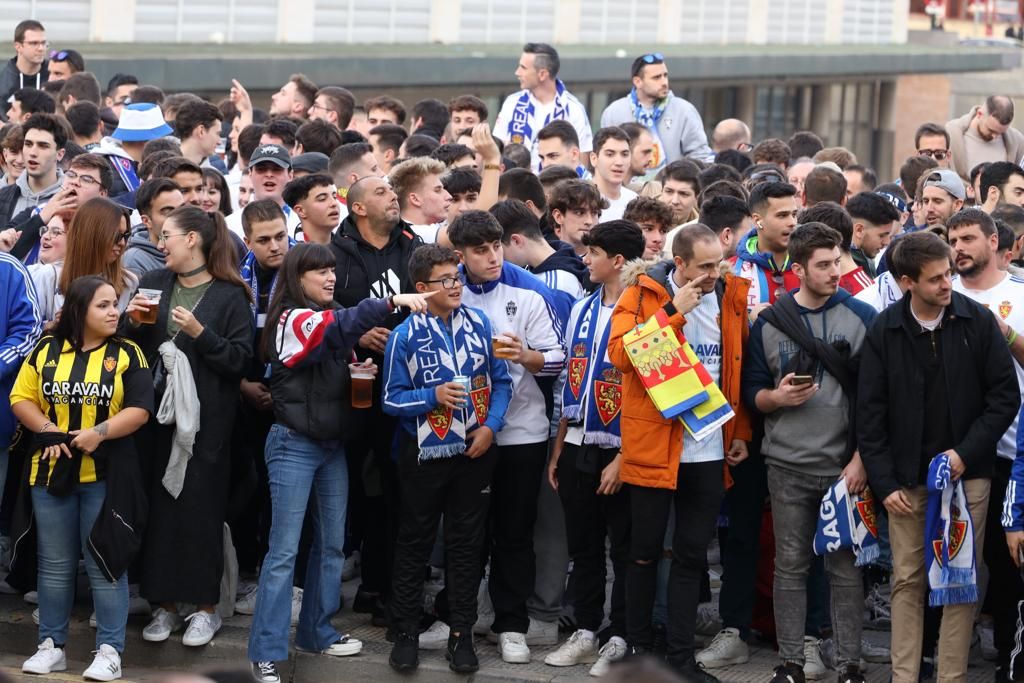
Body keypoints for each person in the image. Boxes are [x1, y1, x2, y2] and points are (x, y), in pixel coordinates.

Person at [247, 244, 430, 683]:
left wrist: (357, 370)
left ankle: (316, 632)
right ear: (297, 278)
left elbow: (336, 340)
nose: (329, 278)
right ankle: (265, 651)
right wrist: (390, 301)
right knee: (284, 552)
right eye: (318, 272)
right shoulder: (292, 317)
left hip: (330, 445)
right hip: (293, 444)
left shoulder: (327, 316)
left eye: (331, 270)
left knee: (331, 546)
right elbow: (335, 327)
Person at [858, 230, 1019, 683]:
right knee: (907, 580)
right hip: (906, 482)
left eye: (949, 273)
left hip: (969, 479)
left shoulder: (977, 321)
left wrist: (966, 455)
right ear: (908, 282)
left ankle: (951, 677)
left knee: (961, 581)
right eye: (935, 279)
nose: (948, 284)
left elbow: (1004, 398)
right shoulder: (884, 329)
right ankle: (903, 675)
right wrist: (885, 484)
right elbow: (869, 415)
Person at [607, 222, 750, 681]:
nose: (714, 273)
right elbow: (620, 356)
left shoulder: (731, 294)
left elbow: (738, 366)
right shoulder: (643, 294)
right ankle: (636, 652)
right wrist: (673, 310)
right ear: (681, 263)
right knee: (644, 553)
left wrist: (740, 431)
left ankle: (681, 659)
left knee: (692, 556)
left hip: (708, 446)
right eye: (705, 266)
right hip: (655, 446)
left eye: (719, 263)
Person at [742, 222, 876, 683]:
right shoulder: (769, 321)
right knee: (791, 565)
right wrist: (774, 400)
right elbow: (752, 393)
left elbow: (877, 399)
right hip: (786, 465)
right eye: (822, 265)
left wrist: (861, 461)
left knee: (845, 569)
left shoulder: (862, 316)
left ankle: (850, 665)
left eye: (837, 261)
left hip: (845, 469)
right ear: (797, 269)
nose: (834, 271)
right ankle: (791, 662)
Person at [124, 206, 253, 648]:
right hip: (154, 418)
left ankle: (204, 608)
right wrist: (131, 322)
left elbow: (241, 361)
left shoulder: (231, 294)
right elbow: (132, 349)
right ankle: (163, 606)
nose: (161, 245)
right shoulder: (155, 283)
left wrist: (202, 333)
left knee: (200, 512)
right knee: (158, 512)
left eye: (167, 236)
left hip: (207, 423)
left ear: (193, 239)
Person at [12, 274, 151, 681]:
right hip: (50, 472)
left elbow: (141, 408)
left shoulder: (128, 353)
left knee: (105, 562)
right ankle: (50, 645)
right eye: (103, 305)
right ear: (79, 310)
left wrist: (99, 433)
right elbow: (21, 397)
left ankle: (110, 650)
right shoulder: (46, 350)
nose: (114, 312)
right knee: (54, 565)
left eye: (115, 304)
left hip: (106, 474)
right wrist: (49, 431)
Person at [383, 243, 513, 673]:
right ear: (422, 288)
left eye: (457, 277)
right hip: (422, 453)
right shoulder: (403, 334)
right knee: (414, 542)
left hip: (475, 452)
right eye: (445, 280)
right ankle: (405, 631)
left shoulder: (479, 322)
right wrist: (432, 396)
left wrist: (491, 427)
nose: (456, 285)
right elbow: (390, 400)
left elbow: (502, 382)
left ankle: (461, 633)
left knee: (466, 546)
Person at [449, 210, 568, 664]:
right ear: (460, 255)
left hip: (522, 430)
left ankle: (512, 623)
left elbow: (558, 359)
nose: (493, 256)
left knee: (515, 531)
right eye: (481, 250)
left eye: (497, 246)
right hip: (463, 431)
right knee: (465, 531)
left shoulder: (527, 291)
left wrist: (527, 355)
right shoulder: (449, 291)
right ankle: (460, 615)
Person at [541, 221, 644, 676]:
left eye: (593, 252)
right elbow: (570, 381)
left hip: (625, 448)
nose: (584, 260)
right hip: (579, 441)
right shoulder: (582, 307)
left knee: (622, 547)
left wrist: (624, 457)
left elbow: (653, 391)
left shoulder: (644, 311)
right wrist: (559, 446)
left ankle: (619, 635)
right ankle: (585, 628)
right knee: (583, 546)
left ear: (617, 260)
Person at [328, 175, 422, 626]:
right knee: (349, 487)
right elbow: (318, 309)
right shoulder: (335, 251)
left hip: (403, 385)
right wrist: (357, 330)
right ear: (359, 208)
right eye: (382, 192)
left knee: (395, 487)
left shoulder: (412, 244)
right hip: (349, 385)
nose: (394, 198)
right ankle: (351, 584)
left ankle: (386, 590)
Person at [944, 208, 1024, 678]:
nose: (960, 247)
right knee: (951, 553)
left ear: (994, 242)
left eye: (969, 238)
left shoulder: (1017, 293)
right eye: (954, 239)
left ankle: (1007, 656)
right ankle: (948, 648)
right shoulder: (942, 290)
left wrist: (1004, 333)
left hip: (1012, 448)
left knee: (1005, 557)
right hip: (956, 449)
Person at [600, 53, 712, 168]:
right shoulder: (614, 112)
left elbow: (700, 155)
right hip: (626, 184)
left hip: (670, 184)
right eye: (656, 77)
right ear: (638, 82)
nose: (664, 82)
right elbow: (605, 155)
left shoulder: (684, 110)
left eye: (665, 75)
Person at [493, 43, 592, 171]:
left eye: (523, 68)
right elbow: (496, 150)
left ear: (542, 74)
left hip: (557, 187)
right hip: (514, 186)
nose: (517, 72)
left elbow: (581, 161)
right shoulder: (512, 103)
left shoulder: (573, 109)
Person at [490, 197, 588, 300]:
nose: (497, 256)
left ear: (516, 241)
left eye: (498, 247)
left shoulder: (557, 287)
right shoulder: (535, 268)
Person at [729, 181, 802, 308]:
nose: (792, 222)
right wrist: (749, 322)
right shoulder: (732, 271)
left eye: (794, 214)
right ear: (757, 220)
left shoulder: (811, 264)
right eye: (782, 215)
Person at [0, 113, 64, 226]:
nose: (33, 153)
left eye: (43, 146)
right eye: (28, 144)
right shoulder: (3, 196)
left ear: (59, 154)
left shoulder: (71, 199)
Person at [946, 96, 1024, 181]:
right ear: (979, 114)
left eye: (1000, 133)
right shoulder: (951, 133)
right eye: (991, 130)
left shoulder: (1017, 141)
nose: (995, 137)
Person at [124, 178, 184, 277]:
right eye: (168, 212)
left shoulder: (197, 248)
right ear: (146, 221)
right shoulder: (134, 261)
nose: (180, 217)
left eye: (182, 209)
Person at [389, 157, 451, 243]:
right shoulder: (408, 234)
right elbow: (465, 234)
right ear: (415, 199)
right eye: (437, 190)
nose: (449, 196)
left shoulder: (437, 226)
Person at [547, 178, 607, 258]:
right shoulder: (542, 261)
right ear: (558, 216)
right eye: (580, 213)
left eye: (594, 213)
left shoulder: (609, 262)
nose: (589, 221)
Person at [846, 191, 900, 279]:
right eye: (881, 235)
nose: (887, 242)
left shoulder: (866, 259)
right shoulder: (842, 269)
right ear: (859, 230)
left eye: (888, 235)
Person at [591, 127, 637, 222]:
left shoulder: (634, 201)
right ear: (594, 158)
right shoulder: (580, 201)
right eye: (610, 154)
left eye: (624, 154)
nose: (619, 162)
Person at [0, 20, 49, 106]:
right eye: (34, 43)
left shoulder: (54, 73)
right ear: (18, 47)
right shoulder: (3, 76)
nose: (41, 48)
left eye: (43, 43)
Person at [282, 174, 340, 245]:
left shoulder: (350, 250)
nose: (334, 203)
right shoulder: (289, 253)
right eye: (322, 199)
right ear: (300, 211)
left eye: (334, 197)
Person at [175, 100, 223, 169]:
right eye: (217, 134)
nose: (219, 142)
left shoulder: (162, 170)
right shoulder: (163, 172)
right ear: (201, 131)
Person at [622, 195, 673, 261]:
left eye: (663, 231)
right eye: (648, 229)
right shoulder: (607, 266)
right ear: (627, 229)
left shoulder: (674, 269)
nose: (658, 239)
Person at [658, 160, 702, 226]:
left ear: (697, 197)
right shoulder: (640, 223)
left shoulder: (704, 232)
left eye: (684, 194)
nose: (675, 201)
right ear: (661, 191)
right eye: (669, 191)